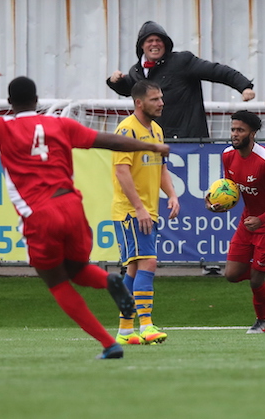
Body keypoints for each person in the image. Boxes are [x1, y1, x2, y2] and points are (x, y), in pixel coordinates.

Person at [0, 63, 173, 359]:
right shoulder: (59, 125)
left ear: (10, 104)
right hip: (72, 207)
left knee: (57, 282)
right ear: (38, 101)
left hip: (41, 214)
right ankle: (109, 282)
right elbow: (108, 141)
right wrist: (153, 148)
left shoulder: (3, 127)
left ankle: (109, 343)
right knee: (77, 269)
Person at [207, 111, 265, 333]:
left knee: (256, 280)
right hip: (248, 222)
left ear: (252, 134)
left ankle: (263, 320)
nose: (234, 134)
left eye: (240, 130)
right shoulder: (228, 155)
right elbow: (230, 190)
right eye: (233, 129)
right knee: (232, 275)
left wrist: (262, 219)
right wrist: (216, 204)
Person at [111, 80, 181, 346]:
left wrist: (172, 194)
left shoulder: (157, 130)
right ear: (139, 103)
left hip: (147, 210)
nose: (161, 102)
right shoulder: (126, 130)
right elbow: (121, 171)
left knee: (133, 269)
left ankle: (126, 330)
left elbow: (161, 168)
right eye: (155, 99)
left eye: (161, 98)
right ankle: (146, 325)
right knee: (148, 262)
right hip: (131, 211)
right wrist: (139, 208)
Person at [106, 20, 256, 139]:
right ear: (142, 46)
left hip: (188, 140)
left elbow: (216, 71)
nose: (154, 44)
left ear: (165, 44)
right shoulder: (136, 71)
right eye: (149, 40)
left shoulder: (182, 61)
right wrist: (116, 82)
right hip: (156, 140)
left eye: (159, 40)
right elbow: (129, 90)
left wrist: (244, 86)